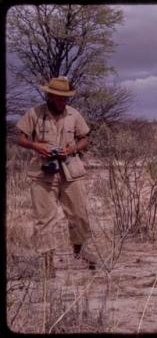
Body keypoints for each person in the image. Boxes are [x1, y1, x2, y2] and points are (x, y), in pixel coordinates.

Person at [15, 77, 97, 277]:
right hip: (43, 172)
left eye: (66, 98)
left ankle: (80, 252)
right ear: (50, 96)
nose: (63, 102)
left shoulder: (74, 114)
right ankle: (47, 263)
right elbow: (20, 137)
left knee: (79, 214)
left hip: (71, 170)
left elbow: (85, 138)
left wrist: (71, 149)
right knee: (45, 219)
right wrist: (37, 146)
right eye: (59, 98)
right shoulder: (34, 113)